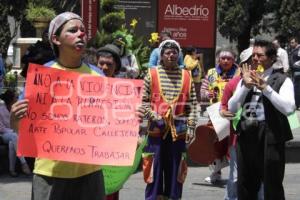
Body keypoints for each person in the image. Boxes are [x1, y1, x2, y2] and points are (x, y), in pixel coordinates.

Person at [10, 12, 105, 200]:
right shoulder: (40, 78)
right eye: (73, 30)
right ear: (56, 38)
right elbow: (20, 129)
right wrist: (15, 117)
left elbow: (107, 123)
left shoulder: (98, 76)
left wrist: (128, 117)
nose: (81, 34)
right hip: (49, 175)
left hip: (90, 173)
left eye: (83, 30)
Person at [228, 39, 295, 200]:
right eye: (254, 55)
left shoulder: (282, 80)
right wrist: (245, 87)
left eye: (260, 55)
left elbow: (289, 108)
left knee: (272, 184)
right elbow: (232, 108)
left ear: (272, 58)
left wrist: (266, 88)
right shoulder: (245, 78)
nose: (255, 58)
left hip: (270, 137)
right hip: (247, 135)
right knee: (245, 184)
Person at [139, 39, 197, 200]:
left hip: (178, 132)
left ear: (178, 55)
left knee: (175, 170)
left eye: (174, 52)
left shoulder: (187, 76)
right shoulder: (151, 74)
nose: (171, 55)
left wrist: (191, 127)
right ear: (161, 55)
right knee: (154, 170)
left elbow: (192, 103)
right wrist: (154, 117)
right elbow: (143, 102)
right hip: (156, 131)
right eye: (167, 52)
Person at [220, 47, 264, 200]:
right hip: (237, 138)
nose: (256, 63)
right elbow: (223, 107)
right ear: (243, 65)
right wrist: (224, 112)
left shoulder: (267, 81)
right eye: (252, 60)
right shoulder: (233, 84)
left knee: (261, 177)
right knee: (236, 176)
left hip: (261, 138)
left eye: (259, 60)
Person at [199, 49, 240, 184]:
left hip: (235, 114)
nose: (226, 61)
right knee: (215, 144)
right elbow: (203, 91)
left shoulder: (239, 73)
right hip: (216, 114)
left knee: (233, 144)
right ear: (218, 59)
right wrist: (207, 94)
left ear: (234, 59)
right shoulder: (211, 73)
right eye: (223, 58)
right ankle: (216, 172)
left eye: (229, 58)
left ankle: (236, 175)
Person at [97, 44, 122, 200]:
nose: (105, 67)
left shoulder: (124, 90)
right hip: (87, 149)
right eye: (101, 63)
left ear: (116, 68)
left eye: (109, 64)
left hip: (112, 148)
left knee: (110, 191)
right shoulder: (85, 85)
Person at [0, 89, 31, 177]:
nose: (18, 99)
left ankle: (11, 170)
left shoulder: (18, 109)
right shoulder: (0, 110)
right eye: (16, 97)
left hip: (16, 134)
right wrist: (13, 131)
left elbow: (21, 123)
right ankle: (24, 163)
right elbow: (1, 128)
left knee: (12, 144)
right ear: (11, 99)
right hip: (4, 135)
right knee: (13, 137)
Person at [288, 36, 300, 109]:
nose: (291, 44)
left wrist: (296, 64)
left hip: (298, 71)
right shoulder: (294, 49)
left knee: (297, 88)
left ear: (296, 42)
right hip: (294, 71)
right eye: (290, 42)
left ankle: (297, 104)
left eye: (292, 42)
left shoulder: (299, 49)